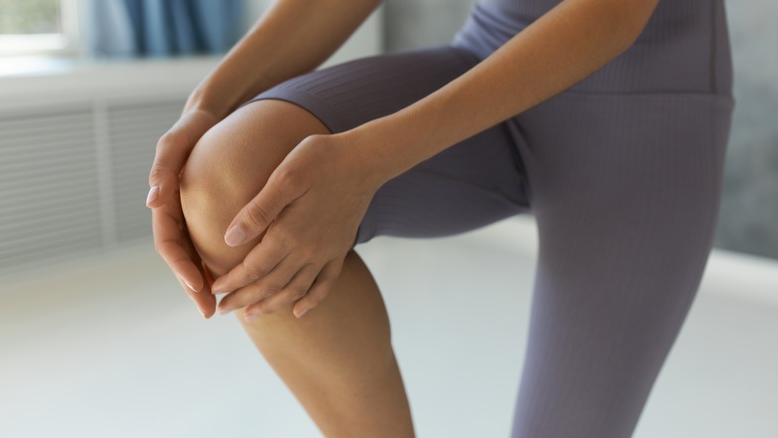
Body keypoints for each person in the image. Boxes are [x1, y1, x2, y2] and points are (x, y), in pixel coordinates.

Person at [146, 0, 734, 436]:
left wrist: (371, 159)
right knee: (231, 184)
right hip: (488, 57)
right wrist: (207, 107)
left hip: (650, 102)